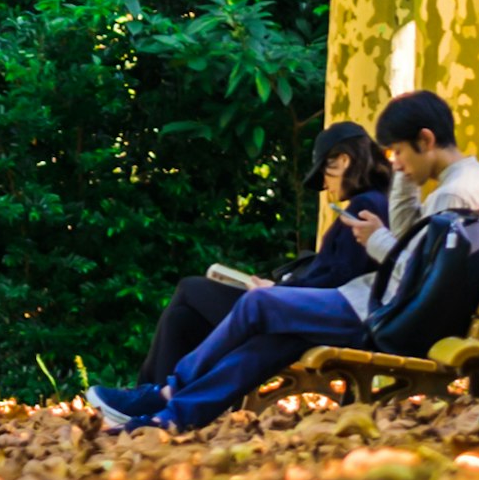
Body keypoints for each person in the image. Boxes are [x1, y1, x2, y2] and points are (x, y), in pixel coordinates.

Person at [91, 89, 479, 435]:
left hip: (385, 313)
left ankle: (168, 391)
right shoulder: (469, 184)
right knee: (273, 339)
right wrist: (403, 180)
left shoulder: (455, 196)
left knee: (259, 305)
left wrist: (378, 241)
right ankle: (173, 418)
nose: (395, 163)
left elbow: (414, 277)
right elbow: (419, 248)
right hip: (388, 307)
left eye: (400, 152)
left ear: (425, 140)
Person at [122, 123, 391, 396]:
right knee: (181, 318)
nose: (325, 184)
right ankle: (153, 394)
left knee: (190, 288)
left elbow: (341, 280)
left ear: (344, 161)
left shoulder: (365, 207)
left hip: (303, 315)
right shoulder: (373, 203)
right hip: (301, 308)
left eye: (325, 171)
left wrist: (277, 291)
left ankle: (148, 394)